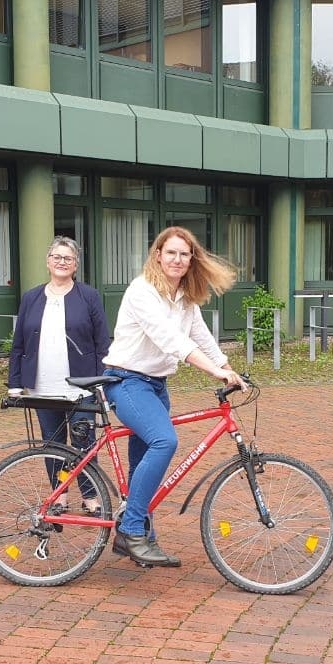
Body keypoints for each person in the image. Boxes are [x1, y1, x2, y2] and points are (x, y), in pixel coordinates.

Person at [102, 226, 245, 567]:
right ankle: (132, 531)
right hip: (126, 382)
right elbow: (172, 341)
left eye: (184, 254)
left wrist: (227, 365)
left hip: (155, 386)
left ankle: (139, 535)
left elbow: (200, 336)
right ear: (158, 255)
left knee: (143, 465)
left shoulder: (184, 296)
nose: (178, 260)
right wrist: (213, 372)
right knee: (164, 442)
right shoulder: (143, 291)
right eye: (171, 253)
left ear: (191, 258)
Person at [7, 236, 110, 514]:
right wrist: (15, 383)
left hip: (81, 386)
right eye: (57, 257)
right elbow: (19, 344)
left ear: (75, 264)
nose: (62, 262)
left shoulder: (88, 296)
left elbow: (102, 342)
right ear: (48, 262)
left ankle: (91, 497)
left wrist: (103, 382)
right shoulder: (31, 297)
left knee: (84, 443)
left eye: (68, 258)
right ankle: (59, 494)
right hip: (42, 386)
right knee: (52, 444)